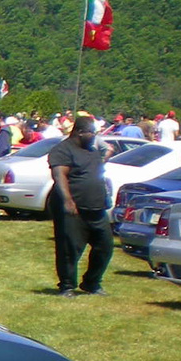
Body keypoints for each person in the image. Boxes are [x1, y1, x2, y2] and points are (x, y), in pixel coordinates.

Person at [47, 113, 113, 296]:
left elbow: (95, 171)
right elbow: (60, 176)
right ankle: (67, 285)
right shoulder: (62, 150)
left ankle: (91, 283)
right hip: (73, 208)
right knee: (69, 248)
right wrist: (68, 201)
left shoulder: (91, 150)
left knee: (105, 246)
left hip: (96, 207)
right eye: (92, 133)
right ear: (80, 132)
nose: (95, 136)